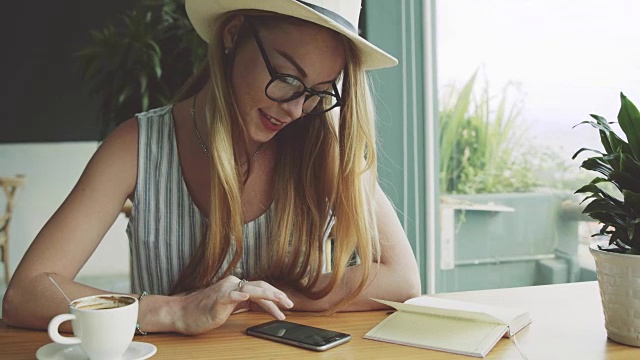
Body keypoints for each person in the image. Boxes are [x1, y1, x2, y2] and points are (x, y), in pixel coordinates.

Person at [2, 0, 420, 335]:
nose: (296, 109)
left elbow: (403, 280)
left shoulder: (322, 145)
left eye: (317, 91)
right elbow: (27, 292)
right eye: (288, 77)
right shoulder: (136, 146)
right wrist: (176, 311)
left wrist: (268, 297)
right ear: (234, 35)